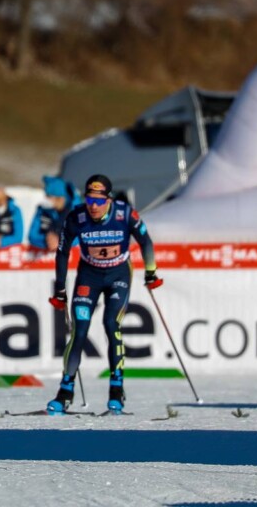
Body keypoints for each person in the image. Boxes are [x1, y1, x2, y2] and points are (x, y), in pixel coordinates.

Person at [47, 174, 162, 415]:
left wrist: (151, 272)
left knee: (111, 324)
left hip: (118, 274)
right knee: (79, 329)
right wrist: (60, 288)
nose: (94, 206)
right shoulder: (76, 217)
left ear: (109, 200)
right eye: (90, 200)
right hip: (89, 276)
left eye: (99, 201)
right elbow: (62, 252)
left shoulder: (124, 214)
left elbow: (146, 241)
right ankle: (65, 391)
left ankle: (116, 390)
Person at [28, 175, 80, 252]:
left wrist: (60, 241)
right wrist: (47, 239)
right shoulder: (42, 210)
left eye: (48, 196)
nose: (45, 199)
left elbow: (80, 236)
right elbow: (32, 236)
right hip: (46, 260)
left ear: (60, 198)